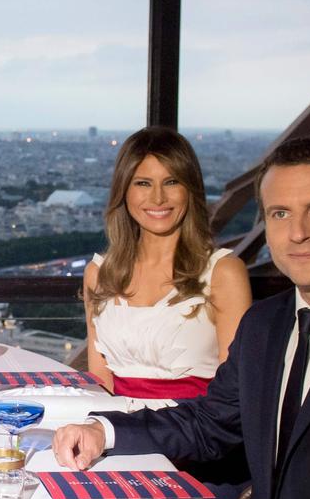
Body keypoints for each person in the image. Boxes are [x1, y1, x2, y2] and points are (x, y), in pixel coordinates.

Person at [53, 137, 310, 499]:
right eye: (279, 214)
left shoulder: (230, 283)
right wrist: (107, 432)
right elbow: (212, 422)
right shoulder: (268, 324)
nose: (297, 233)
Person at [85, 127, 252, 399]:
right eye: (143, 183)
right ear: (123, 191)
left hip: (194, 433)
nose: (158, 198)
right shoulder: (99, 274)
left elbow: (233, 392)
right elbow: (99, 380)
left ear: (191, 189)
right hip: (113, 432)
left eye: (172, 182)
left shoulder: (223, 272)